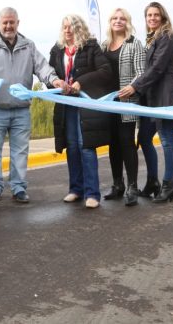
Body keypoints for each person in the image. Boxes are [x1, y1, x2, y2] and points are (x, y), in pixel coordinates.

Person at [0, 7, 66, 203]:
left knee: (20, 150)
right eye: (5, 22)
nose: (8, 26)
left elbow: (42, 67)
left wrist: (54, 80)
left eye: (12, 22)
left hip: (21, 109)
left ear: (18, 23)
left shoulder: (28, 46)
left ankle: (19, 187)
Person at [120, 2, 173, 203]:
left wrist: (135, 86)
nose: (152, 18)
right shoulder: (151, 39)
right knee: (145, 138)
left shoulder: (167, 37)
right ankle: (152, 182)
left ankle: (168, 185)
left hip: (166, 95)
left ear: (163, 17)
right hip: (151, 98)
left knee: (166, 139)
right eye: (149, 15)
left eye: (156, 15)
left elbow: (157, 69)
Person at [49, 14, 112, 209]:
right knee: (73, 146)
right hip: (66, 104)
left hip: (86, 105)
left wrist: (80, 82)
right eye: (65, 26)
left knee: (86, 147)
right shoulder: (57, 49)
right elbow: (50, 74)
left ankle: (92, 193)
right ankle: (75, 189)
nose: (68, 31)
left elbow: (105, 71)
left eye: (72, 27)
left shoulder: (91, 47)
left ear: (80, 28)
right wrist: (57, 83)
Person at [100, 8, 145, 206]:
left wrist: (132, 87)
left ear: (127, 22)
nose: (118, 21)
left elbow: (142, 72)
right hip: (108, 102)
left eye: (122, 18)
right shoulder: (103, 46)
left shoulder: (134, 44)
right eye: (115, 18)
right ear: (110, 22)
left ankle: (132, 186)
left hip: (127, 100)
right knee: (113, 144)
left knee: (127, 142)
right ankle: (118, 184)